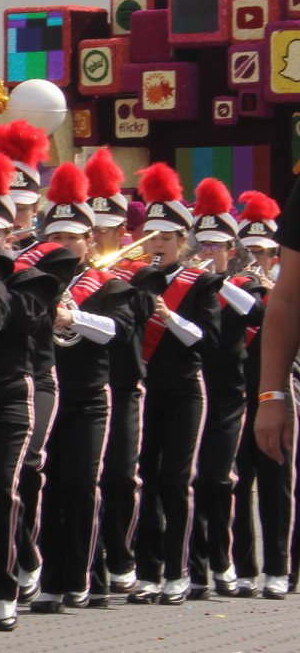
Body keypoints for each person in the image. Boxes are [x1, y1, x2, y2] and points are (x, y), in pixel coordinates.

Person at [0, 143, 72, 633]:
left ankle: (1, 585)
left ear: (11, 233)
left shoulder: (36, 273)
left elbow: (18, 319)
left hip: (9, 389)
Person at [31, 165, 153, 613]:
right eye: (57, 238)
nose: (64, 246)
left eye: (73, 239)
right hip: (48, 390)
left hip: (87, 397)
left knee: (81, 484)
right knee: (46, 485)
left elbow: (117, 332)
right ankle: (47, 577)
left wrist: (72, 318)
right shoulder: (35, 281)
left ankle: (81, 575)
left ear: (87, 241)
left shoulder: (108, 283)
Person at [128, 165, 225, 606]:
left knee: (176, 479)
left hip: (186, 388)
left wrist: (170, 317)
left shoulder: (202, 283)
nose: (158, 245)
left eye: (166, 238)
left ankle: (179, 570)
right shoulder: (138, 280)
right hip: (147, 388)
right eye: (152, 237)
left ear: (182, 241)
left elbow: (207, 339)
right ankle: (146, 570)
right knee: (146, 475)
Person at [186, 180, 261, 598]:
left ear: (231, 250)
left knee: (220, 479)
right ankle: (196, 567)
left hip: (230, 394)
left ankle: (226, 559)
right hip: (194, 391)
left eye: (217, 247)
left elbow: (262, 313)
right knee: (192, 479)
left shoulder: (242, 286)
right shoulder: (184, 284)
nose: (209, 253)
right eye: (204, 245)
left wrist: (219, 283)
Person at [233, 192, 292, 598]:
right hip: (237, 389)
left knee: (277, 482)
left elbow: (272, 312)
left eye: (264, 250)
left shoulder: (275, 287)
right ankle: (243, 566)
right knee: (238, 480)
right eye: (248, 249)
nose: (257, 257)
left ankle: (279, 566)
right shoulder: (222, 284)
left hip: (281, 387)